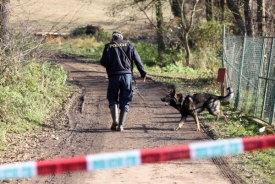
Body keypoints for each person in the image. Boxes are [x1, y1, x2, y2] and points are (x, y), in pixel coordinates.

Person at [100, 31, 147, 131]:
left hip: (113, 77)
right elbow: (138, 60)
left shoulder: (108, 46)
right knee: (125, 99)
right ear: (122, 37)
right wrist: (143, 73)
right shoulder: (130, 45)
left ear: (113, 38)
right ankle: (121, 125)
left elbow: (103, 62)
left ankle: (115, 120)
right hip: (127, 76)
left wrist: (112, 67)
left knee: (112, 97)